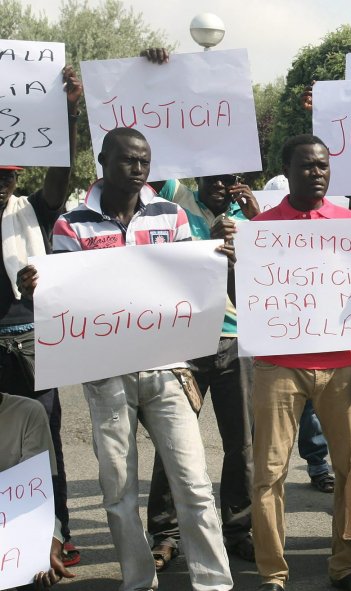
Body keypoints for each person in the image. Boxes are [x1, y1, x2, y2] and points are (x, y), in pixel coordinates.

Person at [212, 133, 351, 591]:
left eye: (324, 166)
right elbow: (243, 301)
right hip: (277, 365)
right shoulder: (261, 230)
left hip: (342, 366)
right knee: (269, 473)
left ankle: (344, 567)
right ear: (286, 171)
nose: (317, 172)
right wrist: (233, 265)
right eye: (307, 165)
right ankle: (273, 574)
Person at [31, 127, 234, 591]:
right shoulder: (72, 224)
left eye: (145, 160)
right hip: (106, 377)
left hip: (168, 370)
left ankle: (215, 583)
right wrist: (39, 289)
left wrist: (218, 259)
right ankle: (138, 582)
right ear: (103, 161)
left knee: (194, 484)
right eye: (128, 160)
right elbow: (66, 296)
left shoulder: (172, 214)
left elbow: (192, 283)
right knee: (119, 492)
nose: (139, 168)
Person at [135, 47, 259, 568]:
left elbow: (274, 282)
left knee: (243, 446)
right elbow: (153, 148)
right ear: (198, 177)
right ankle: (166, 534)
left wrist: (252, 232)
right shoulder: (175, 199)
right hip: (184, 340)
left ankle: (239, 531)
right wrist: (156, 77)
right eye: (215, 179)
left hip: (233, 341)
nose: (223, 186)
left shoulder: (246, 218)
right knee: (174, 439)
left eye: (231, 180)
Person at [0, 66, 82, 569]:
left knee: (44, 445)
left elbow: (61, 178)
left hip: (30, 344)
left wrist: (67, 112)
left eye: (7, 175)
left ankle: (55, 535)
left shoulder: (30, 211)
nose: (1, 184)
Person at [0, 391, 75, 590]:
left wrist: (52, 539)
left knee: (34, 573)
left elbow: (37, 496)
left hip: (12, 531)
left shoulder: (27, 412)